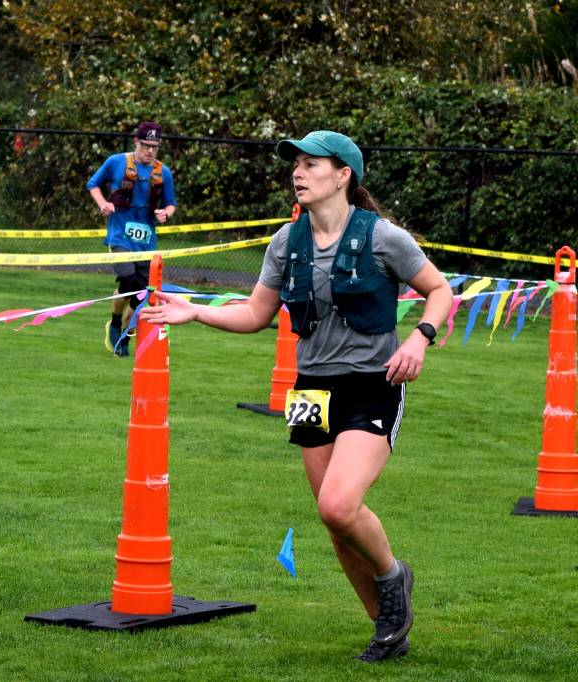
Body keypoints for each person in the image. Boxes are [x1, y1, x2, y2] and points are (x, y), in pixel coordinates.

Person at [141, 131, 452, 663]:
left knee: (338, 503)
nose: (298, 173)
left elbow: (440, 290)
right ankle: (387, 627)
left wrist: (418, 340)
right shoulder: (286, 243)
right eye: (296, 165)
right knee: (334, 525)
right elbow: (256, 314)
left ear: (343, 175)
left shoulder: (383, 236)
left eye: (311, 164)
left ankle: (393, 578)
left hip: (372, 384)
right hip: (311, 389)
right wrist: (195, 310)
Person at [86, 121, 177, 357]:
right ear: (136, 142)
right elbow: (93, 184)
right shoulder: (116, 162)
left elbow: (171, 204)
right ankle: (115, 323)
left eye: (155, 147)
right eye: (146, 145)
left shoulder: (163, 172)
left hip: (147, 243)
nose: (150, 151)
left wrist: (165, 213)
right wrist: (103, 204)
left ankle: (126, 333)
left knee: (144, 294)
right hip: (119, 235)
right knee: (128, 280)